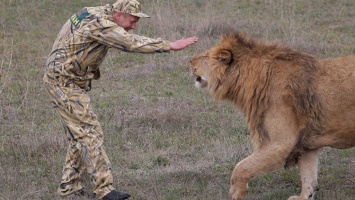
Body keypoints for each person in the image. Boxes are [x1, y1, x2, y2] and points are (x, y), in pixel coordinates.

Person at [43, 0, 198, 199]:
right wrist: (169, 45)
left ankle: (69, 188)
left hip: (66, 80)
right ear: (118, 15)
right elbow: (129, 43)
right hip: (64, 83)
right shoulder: (101, 24)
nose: (133, 27)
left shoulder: (91, 11)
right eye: (131, 21)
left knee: (79, 136)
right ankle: (104, 190)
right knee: (90, 133)